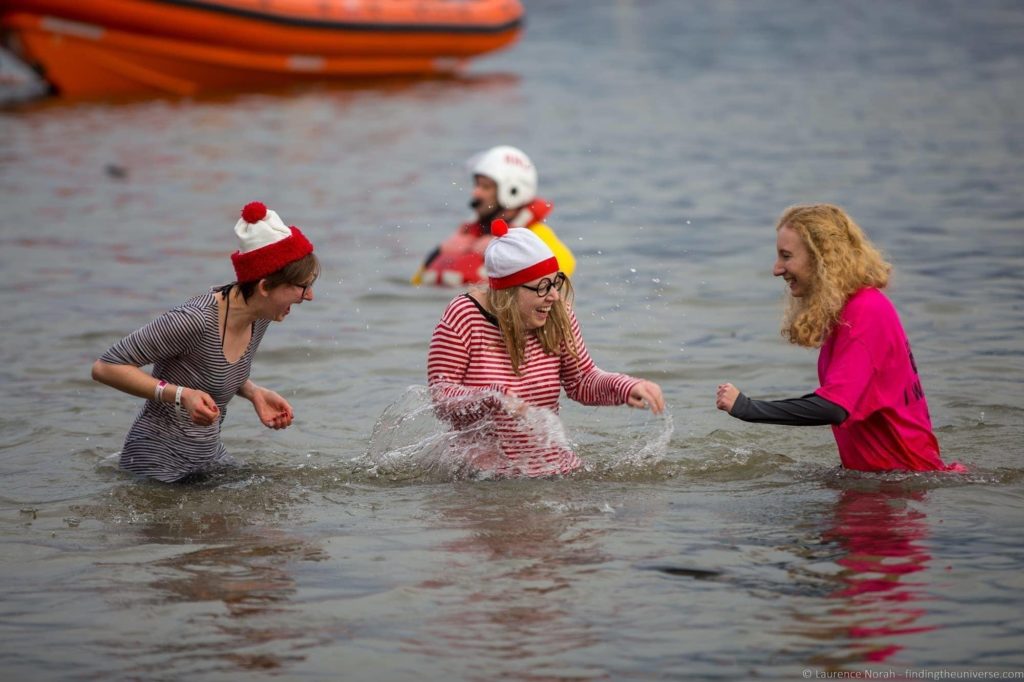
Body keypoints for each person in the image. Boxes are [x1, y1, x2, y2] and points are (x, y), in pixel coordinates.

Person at [715, 203, 961, 472]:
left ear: (821, 258)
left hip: (902, 487)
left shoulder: (866, 310)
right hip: (877, 481)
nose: (776, 269)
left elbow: (834, 407)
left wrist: (748, 408)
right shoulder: (849, 310)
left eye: (786, 256)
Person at [91, 201, 319, 482]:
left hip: (207, 457)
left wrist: (253, 392)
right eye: (302, 287)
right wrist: (180, 395)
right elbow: (106, 367)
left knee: (283, 492)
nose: (309, 296)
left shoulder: (260, 314)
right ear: (264, 287)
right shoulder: (194, 320)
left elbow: (205, 368)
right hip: (156, 467)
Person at [427, 218, 664, 477]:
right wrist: (493, 397)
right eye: (542, 286)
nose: (553, 295)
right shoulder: (463, 315)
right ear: (509, 291)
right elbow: (441, 397)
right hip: (481, 480)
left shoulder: (556, 313)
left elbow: (582, 381)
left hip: (553, 472)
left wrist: (624, 386)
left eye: (555, 282)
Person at [412, 145, 576, 286]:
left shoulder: (536, 236)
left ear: (512, 191)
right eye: (476, 185)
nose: (475, 192)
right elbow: (416, 282)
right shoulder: (464, 236)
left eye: (485, 187)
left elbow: (562, 271)